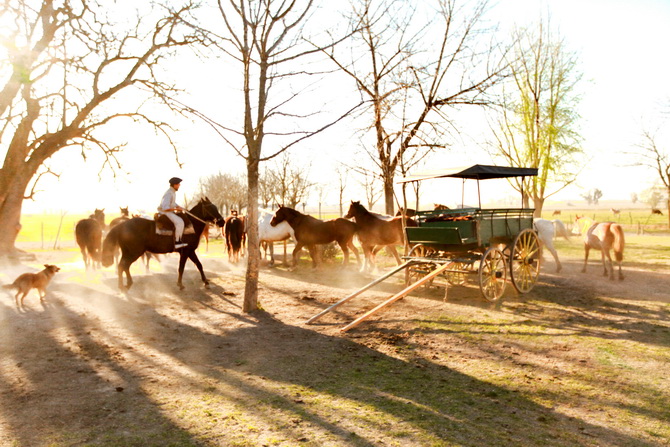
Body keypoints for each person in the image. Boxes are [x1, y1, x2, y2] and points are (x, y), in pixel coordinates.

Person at [158, 177, 188, 250]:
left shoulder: (172, 192)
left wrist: (178, 206)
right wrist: (177, 209)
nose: (179, 185)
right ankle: (177, 242)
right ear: (174, 185)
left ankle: (179, 240)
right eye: (178, 184)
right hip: (165, 212)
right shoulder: (168, 193)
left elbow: (172, 203)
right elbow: (165, 207)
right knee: (180, 222)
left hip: (169, 211)